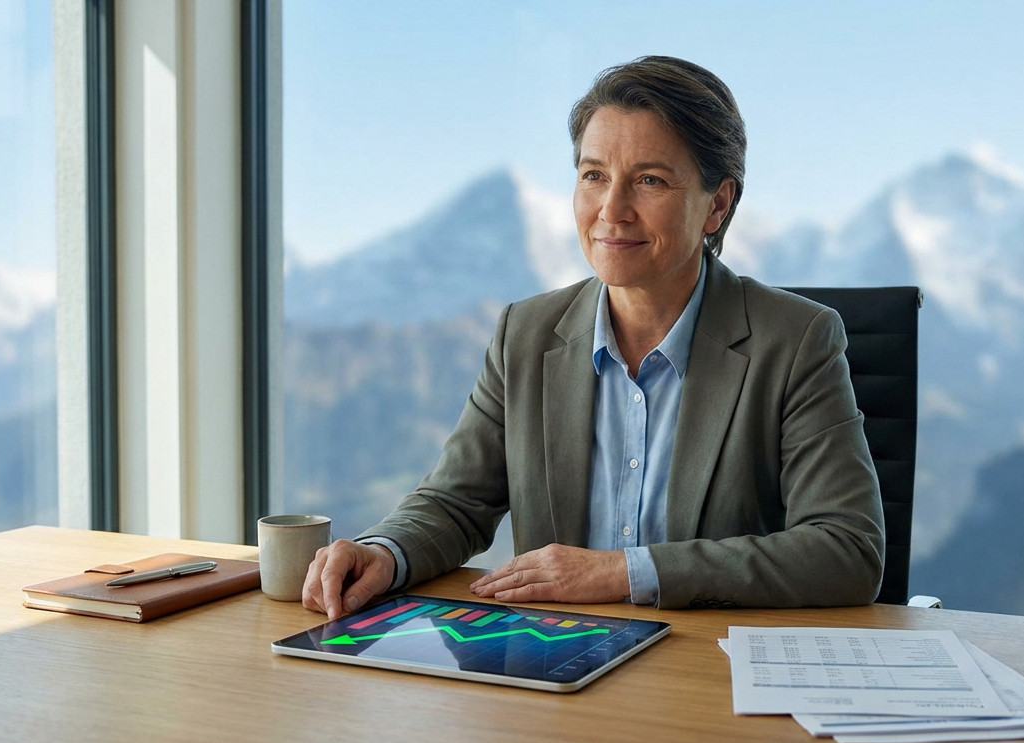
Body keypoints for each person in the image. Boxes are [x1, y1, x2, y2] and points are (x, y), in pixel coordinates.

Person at [303, 55, 884, 619]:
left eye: (649, 180)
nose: (612, 209)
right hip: (557, 665)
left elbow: (847, 549)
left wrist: (624, 572)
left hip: (710, 678)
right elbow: (456, 502)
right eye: (594, 176)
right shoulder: (524, 335)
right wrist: (384, 551)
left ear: (717, 205)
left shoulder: (797, 340)